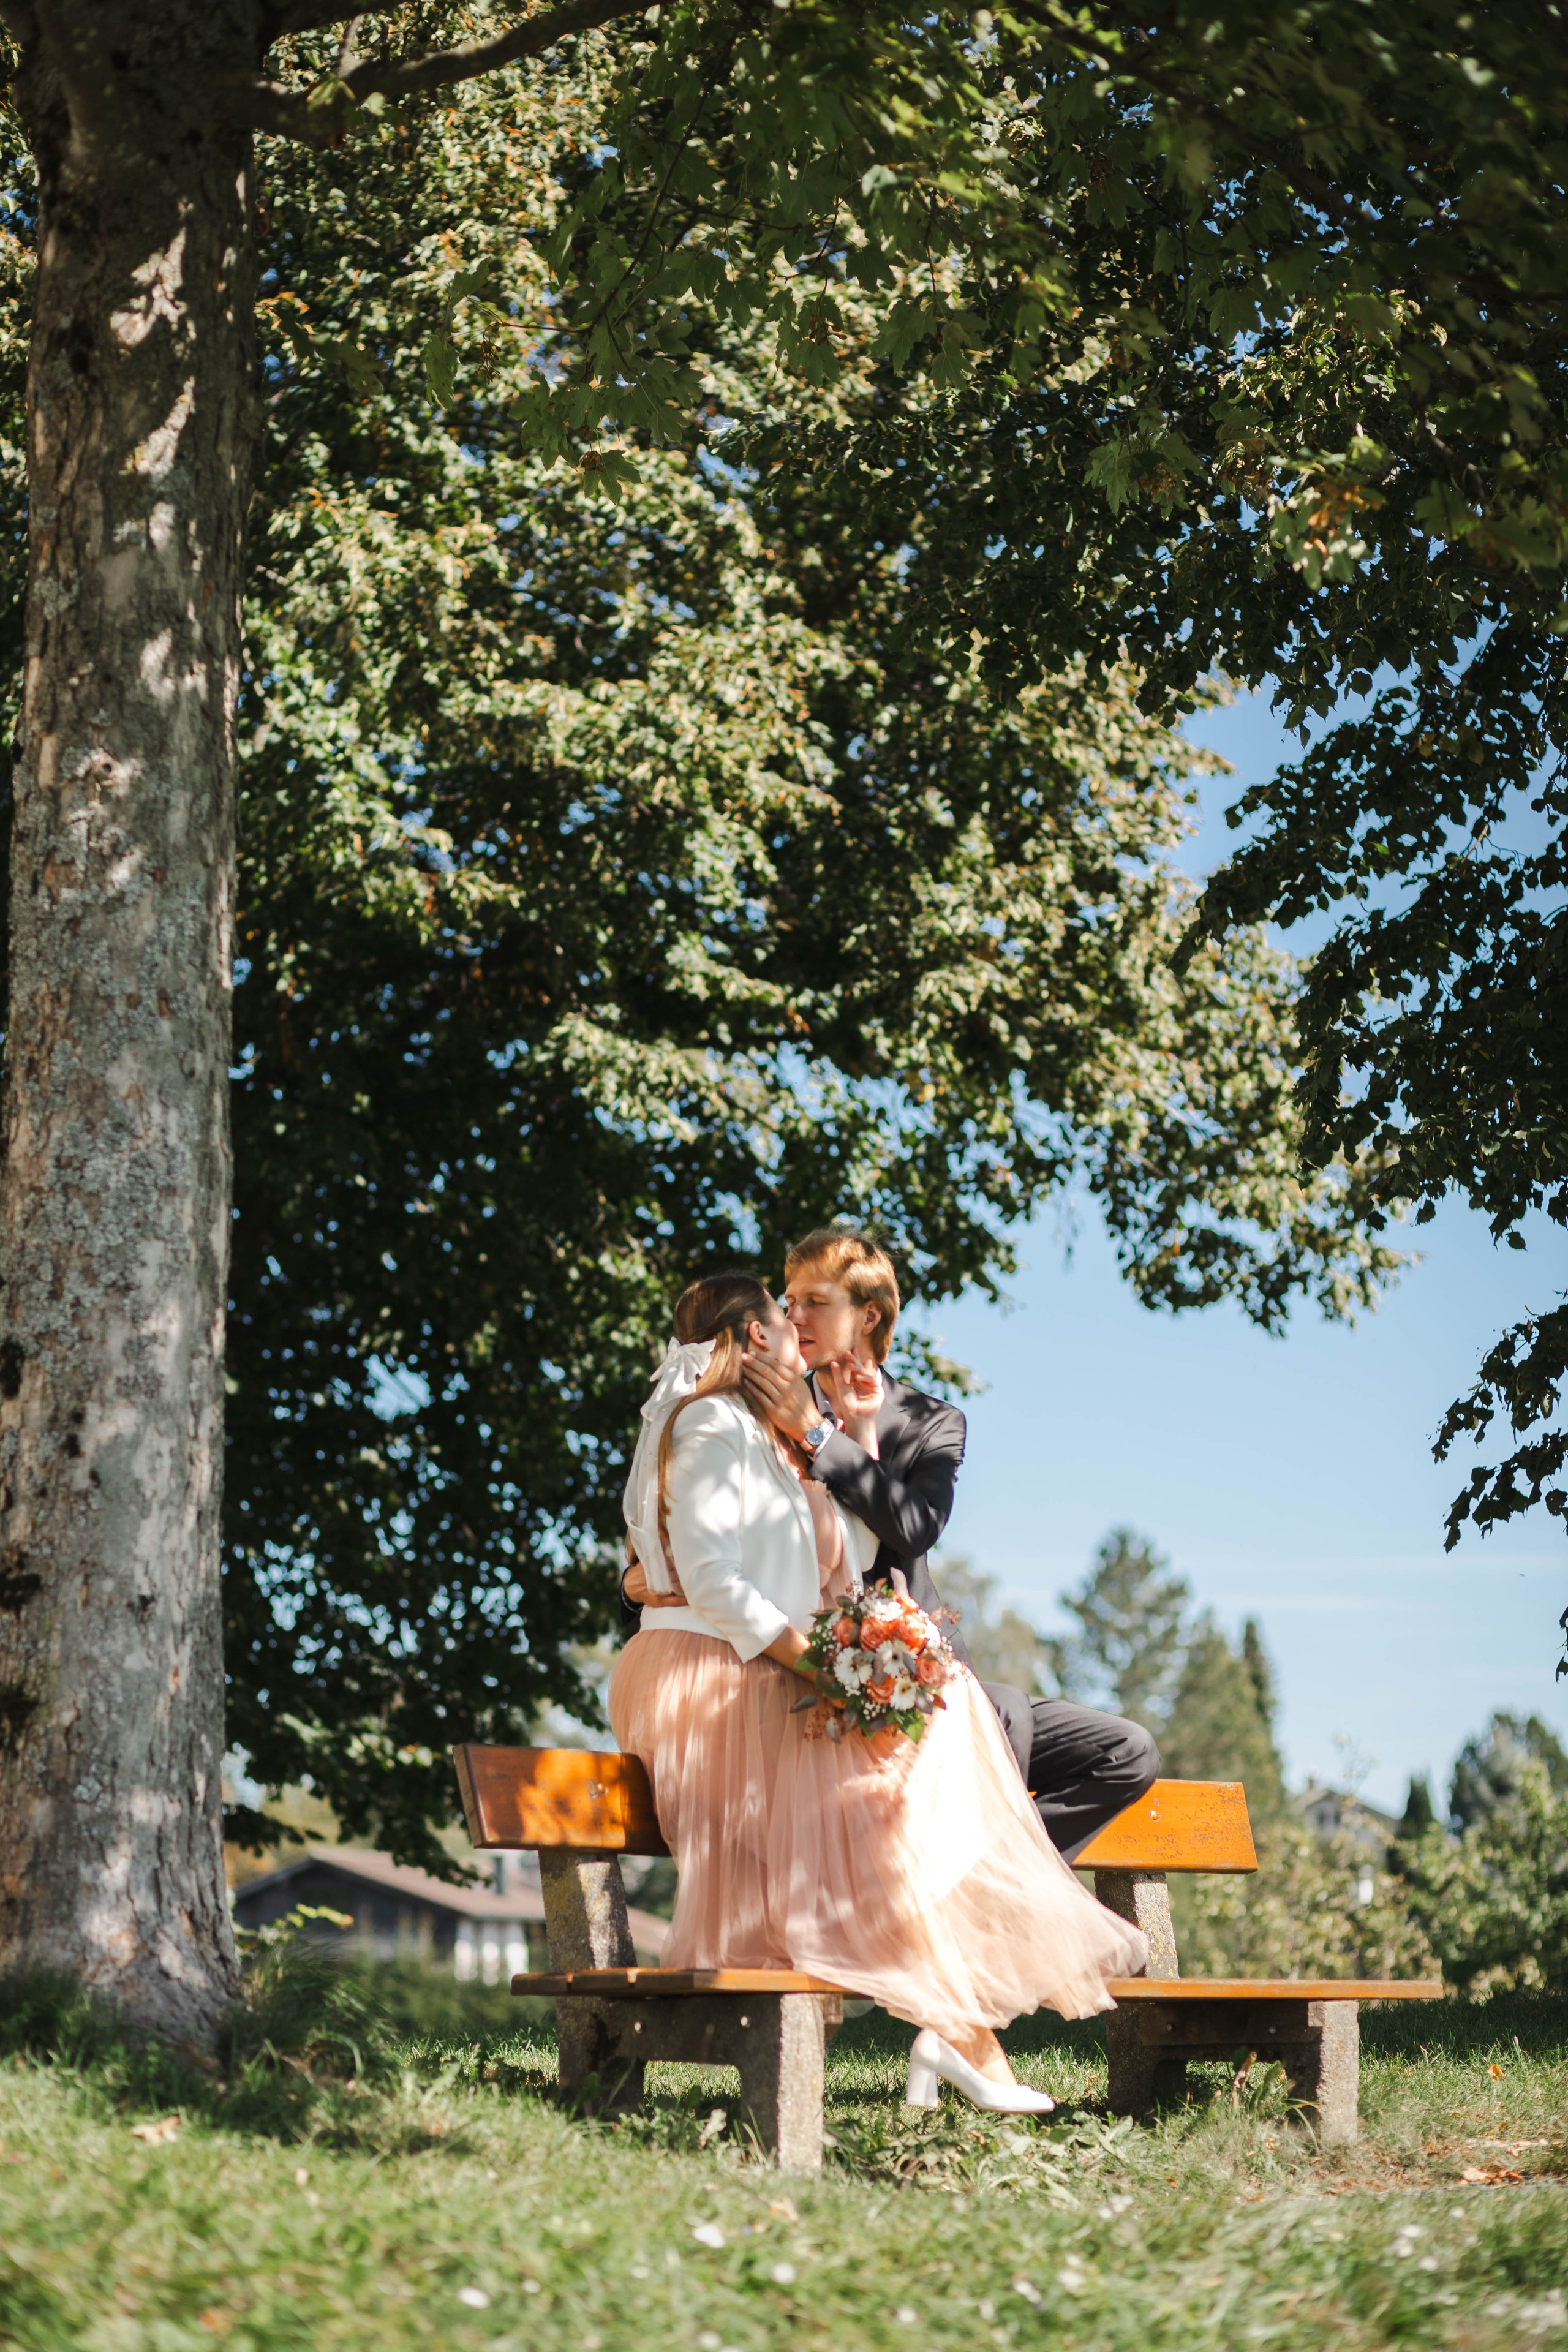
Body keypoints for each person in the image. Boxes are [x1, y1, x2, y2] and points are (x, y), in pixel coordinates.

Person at [609, 1271, 1148, 2116]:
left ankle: (959, 2031)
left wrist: (852, 1431)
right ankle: (964, 2032)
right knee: (895, 1799)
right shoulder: (711, 1422)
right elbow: (708, 1579)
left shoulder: (761, 1430)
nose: (798, 1329)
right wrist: (816, 1665)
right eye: (783, 1319)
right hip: (720, 1679)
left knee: (917, 1779)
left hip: (766, 1664)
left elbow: (848, 1550)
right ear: (755, 1340)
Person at [628, 1226, 1161, 1864]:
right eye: (787, 1301)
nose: (793, 1315)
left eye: (813, 1301)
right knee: (1004, 1716)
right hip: (808, 1679)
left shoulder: (929, 1422)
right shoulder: (747, 1405)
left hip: (916, 1670)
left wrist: (832, 1437)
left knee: (1125, 1751)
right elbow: (678, 1536)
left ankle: (982, 1877)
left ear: (868, 1315)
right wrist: (636, 1579)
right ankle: (972, 1903)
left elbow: (913, 1528)